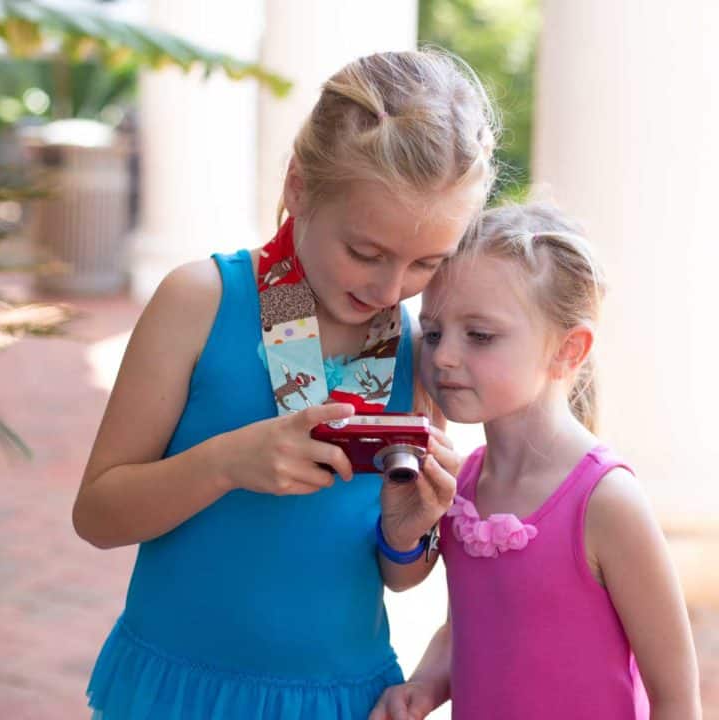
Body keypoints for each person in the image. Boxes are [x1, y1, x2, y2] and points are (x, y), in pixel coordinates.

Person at [72, 49, 496, 720]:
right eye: (365, 252)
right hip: (182, 692)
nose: (389, 290)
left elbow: (398, 575)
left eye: (426, 263)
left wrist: (407, 530)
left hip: (340, 698)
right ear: (299, 186)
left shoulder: (416, 345)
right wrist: (226, 463)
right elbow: (96, 516)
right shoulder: (200, 300)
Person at [370, 203, 702, 720]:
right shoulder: (465, 485)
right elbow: (467, 630)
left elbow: (677, 696)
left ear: (568, 350)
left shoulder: (607, 502)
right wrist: (424, 687)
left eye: (479, 335)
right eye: (433, 333)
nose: (442, 357)